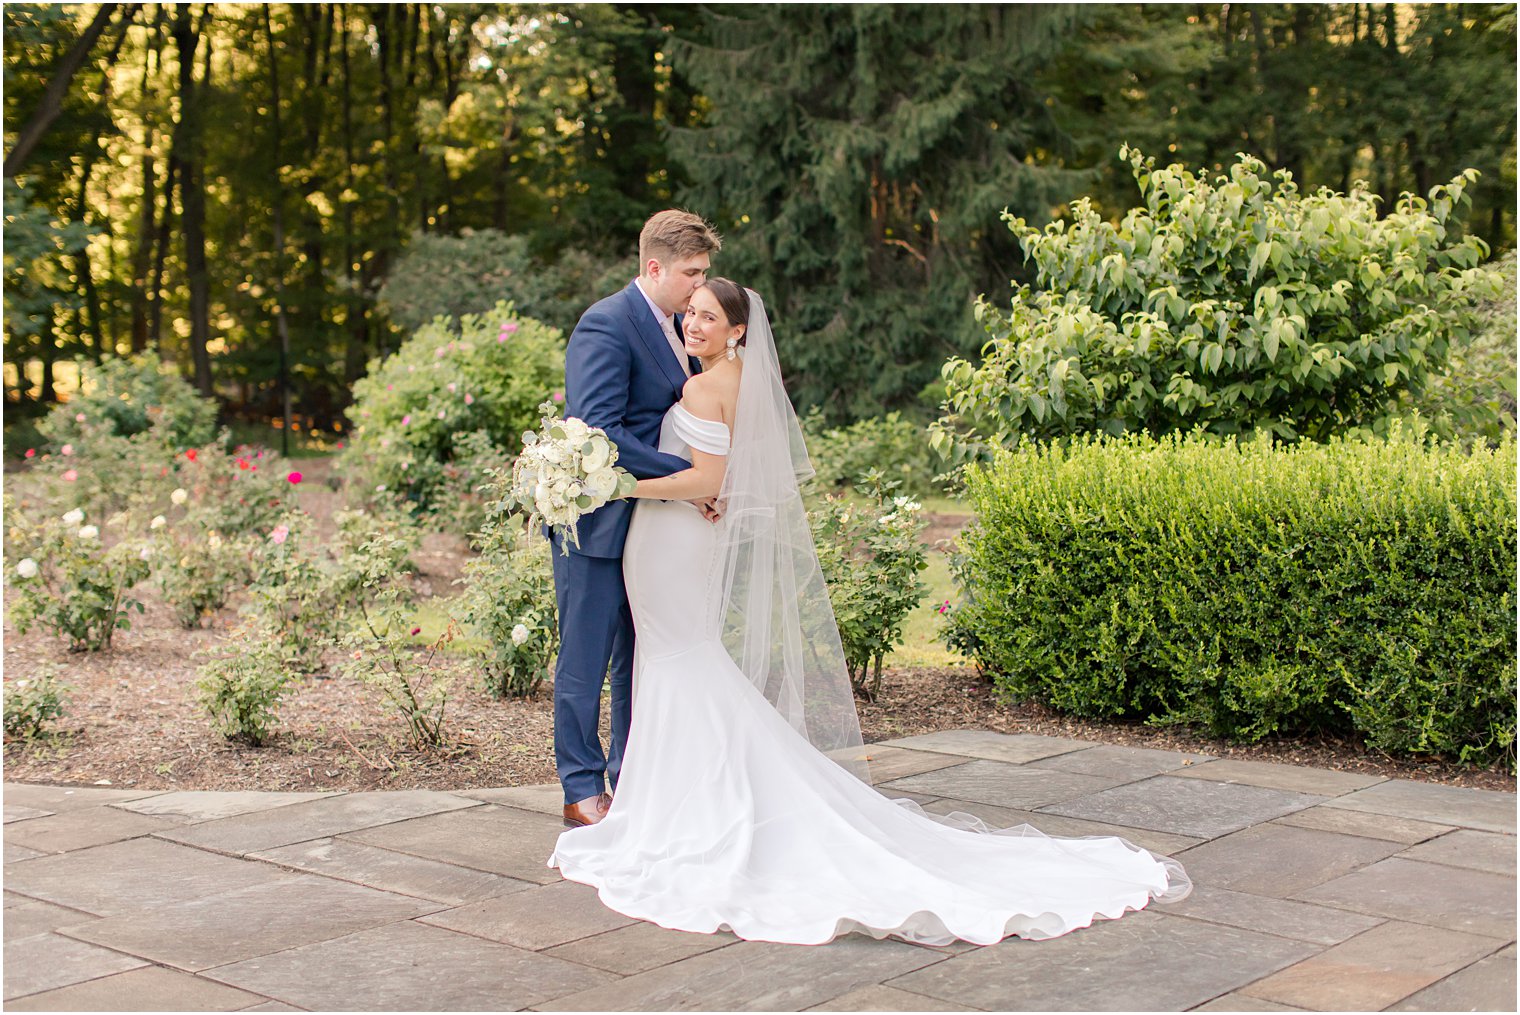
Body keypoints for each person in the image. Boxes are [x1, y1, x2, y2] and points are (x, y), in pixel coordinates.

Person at [547, 279, 1192, 946]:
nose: (694, 323)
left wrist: (619, 482)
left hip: (672, 535)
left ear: (738, 331)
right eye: (692, 312)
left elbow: (707, 480)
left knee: (681, 661)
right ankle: (677, 798)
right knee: (676, 660)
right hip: (673, 540)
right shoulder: (726, 378)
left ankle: (690, 807)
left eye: (709, 316)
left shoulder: (706, 386)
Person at [550, 209, 723, 829]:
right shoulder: (606, 323)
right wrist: (687, 476)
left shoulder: (684, 328)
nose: (699, 286)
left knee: (638, 656)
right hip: (599, 524)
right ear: (654, 267)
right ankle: (579, 790)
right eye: (691, 273)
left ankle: (631, 776)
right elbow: (599, 430)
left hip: (654, 532)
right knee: (586, 656)